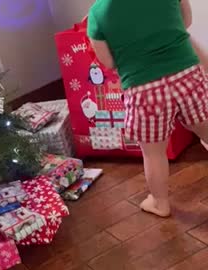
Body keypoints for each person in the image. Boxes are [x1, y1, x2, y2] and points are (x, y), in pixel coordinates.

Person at [87, 0, 208, 217]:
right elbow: (186, 21)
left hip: (143, 88)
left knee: (153, 153)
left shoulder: (97, 14)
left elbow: (108, 61)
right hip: (186, 73)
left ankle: (160, 203)